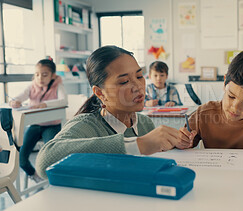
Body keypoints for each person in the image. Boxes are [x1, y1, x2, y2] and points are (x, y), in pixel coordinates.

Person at [35, 46, 195, 179]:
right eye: (124, 81)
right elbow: (44, 163)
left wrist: (175, 143)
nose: (138, 86)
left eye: (139, 76)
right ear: (100, 93)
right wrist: (137, 145)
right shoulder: (88, 125)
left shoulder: (144, 123)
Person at [179, 49, 243, 150]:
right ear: (224, 82)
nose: (235, 108)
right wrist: (182, 141)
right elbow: (182, 145)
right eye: (231, 96)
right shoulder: (203, 113)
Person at [9, 59, 67, 183]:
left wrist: (45, 104)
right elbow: (19, 96)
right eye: (37, 74)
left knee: (50, 155)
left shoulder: (58, 86)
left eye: (45, 75)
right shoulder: (31, 86)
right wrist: (15, 101)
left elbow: (63, 101)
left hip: (52, 125)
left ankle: (52, 178)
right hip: (35, 125)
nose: (40, 78)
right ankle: (35, 175)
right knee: (20, 157)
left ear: (53, 75)